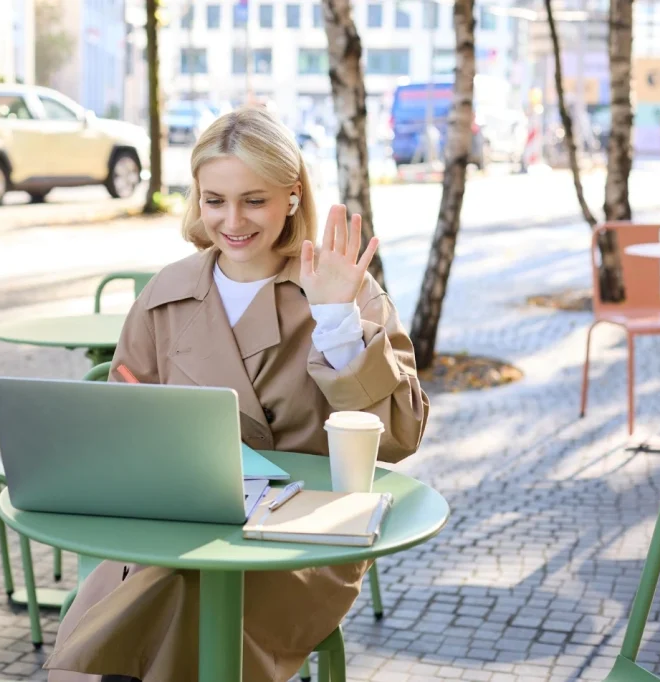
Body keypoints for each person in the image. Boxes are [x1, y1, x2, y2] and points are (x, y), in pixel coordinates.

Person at [45, 107, 430, 682]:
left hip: (300, 544)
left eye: (254, 200)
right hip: (178, 525)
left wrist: (337, 322)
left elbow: (399, 437)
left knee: (175, 613)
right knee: (136, 613)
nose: (233, 220)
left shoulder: (342, 287)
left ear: (292, 197)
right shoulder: (166, 295)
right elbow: (124, 424)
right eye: (214, 200)